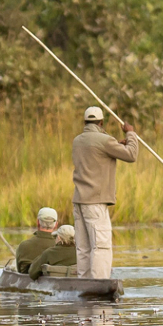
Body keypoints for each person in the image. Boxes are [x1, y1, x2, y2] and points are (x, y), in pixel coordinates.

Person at [71, 106, 138, 279]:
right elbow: (131, 155)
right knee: (100, 247)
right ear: (101, 122)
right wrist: (130, 134)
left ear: (85, 122)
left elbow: (97, 150)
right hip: (95, 202)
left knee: (83, 248)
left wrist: (116, 145)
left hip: (79, 201)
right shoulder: (105, 140)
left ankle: (84, 284)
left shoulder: (77, 140)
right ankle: (99, 284)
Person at [12, 207, 61, 273]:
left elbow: (19, 270)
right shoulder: (61, 247)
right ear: (56, 225)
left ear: (38, 222)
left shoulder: (23, 246)